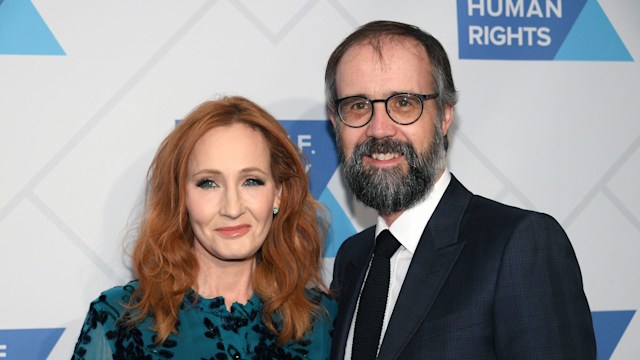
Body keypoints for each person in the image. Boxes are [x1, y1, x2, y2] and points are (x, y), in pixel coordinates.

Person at [326, 20, 596, 359]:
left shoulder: (520, 245)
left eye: (404, 103)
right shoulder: (353, 259)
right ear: (336, 123)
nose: (379, 129)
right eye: (358, 106)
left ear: (444, 116)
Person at [73, 96, 337, 359]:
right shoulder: (119, 320)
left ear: (278, 193)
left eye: (252, 181)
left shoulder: (325, 321)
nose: (232, 208)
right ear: (181, 197)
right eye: (209, 183)